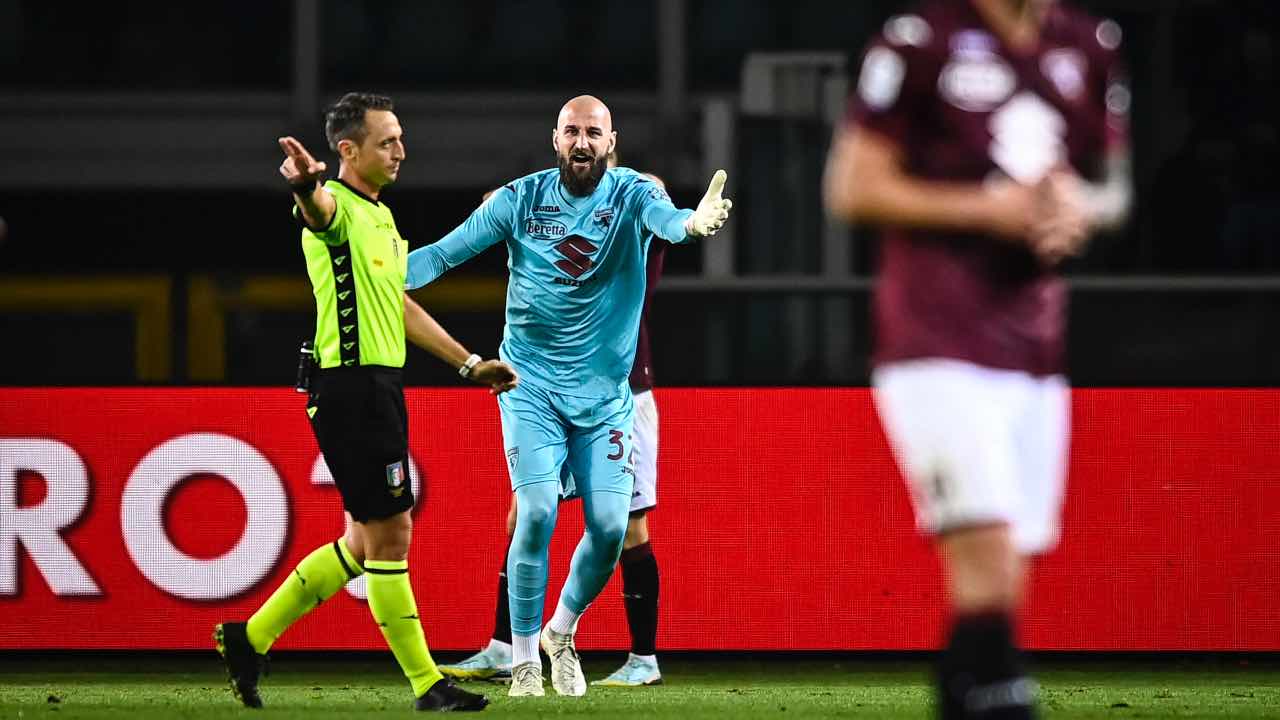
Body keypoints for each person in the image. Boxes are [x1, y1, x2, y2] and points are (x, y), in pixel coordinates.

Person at [823, 1, 1131, 718]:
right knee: (990, 571)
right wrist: (991, 210)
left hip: (1035, 355)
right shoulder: (920, 40)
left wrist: (1078, 208)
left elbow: (1114, 189)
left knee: (994, 598)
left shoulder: (1090, 44)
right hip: (935, 346)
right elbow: (853, 186)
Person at [405, 95, 731, 698]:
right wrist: (376, 267)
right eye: (572, 132)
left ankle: (562, 630)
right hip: (528, 387)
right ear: (555, 138)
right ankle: (525, 657)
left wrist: (693, 223)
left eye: (594, 133)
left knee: (610, 527)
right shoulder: (519, 199)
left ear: (611, 141)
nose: (582, 143)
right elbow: (441, 255)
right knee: (535, 513)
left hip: (608, 397)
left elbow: (670, 222)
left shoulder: (634, 194)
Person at [214, 92, 518, 713]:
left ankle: (251, 637)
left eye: (401, 137)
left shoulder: (383, 220)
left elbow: (398, 306)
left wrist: (467, 363)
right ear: (347, 151)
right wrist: (304, 187)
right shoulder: (339, 210)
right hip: (350, 391)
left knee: (361, 542)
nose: (401, 150)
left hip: (377, 389)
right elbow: (317, 210)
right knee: (392, 535)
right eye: (387, 141)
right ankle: (427, 684)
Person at [441, 153, 669, 688]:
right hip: (548, 390)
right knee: (525, 511)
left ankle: (643, 659)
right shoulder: (553, 220)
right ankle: (505, 647)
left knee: (626, 527)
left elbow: (654, 190)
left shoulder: (638, 215)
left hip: (623, 395)